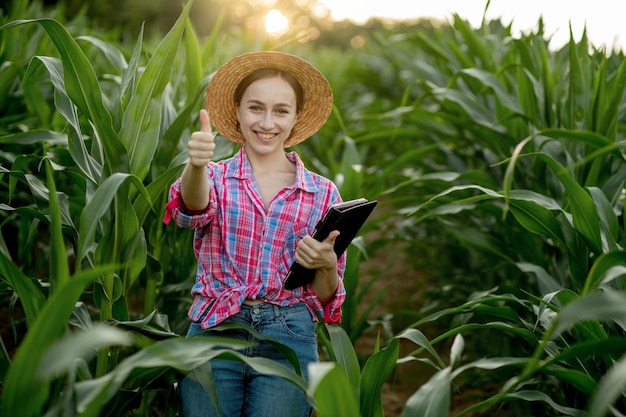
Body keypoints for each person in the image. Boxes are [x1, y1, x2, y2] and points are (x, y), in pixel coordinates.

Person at [163, 51, 346, 417]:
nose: (267, 122)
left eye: (281, 110)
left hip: (289, 334)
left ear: (296, 118)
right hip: (217, 327)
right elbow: (191, 210)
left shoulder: (323, 194)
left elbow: (327, 294)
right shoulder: (213, 177)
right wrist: (195, 165)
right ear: (237, 111)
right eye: (255, 108)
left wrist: (325, 265)